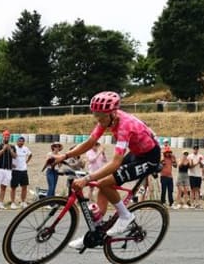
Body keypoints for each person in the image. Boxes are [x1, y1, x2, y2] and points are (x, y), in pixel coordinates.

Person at [53, 91, 161, 251]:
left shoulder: (125, 125)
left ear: (112, 113)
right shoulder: (107, 119)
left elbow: (115, 162)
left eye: (101, 116)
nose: (99, 120)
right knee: (102, 187)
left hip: (150, 158)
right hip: (137, 153)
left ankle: (126, 216)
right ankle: (95, 233)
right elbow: (90, 142)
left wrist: (87, 179)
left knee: (104, 182)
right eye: (96, 115)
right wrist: (65, 155)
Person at [0, 130, 15, 209]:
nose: (6, 137)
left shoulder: (12, 146)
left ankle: (0, 203)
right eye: (5, 136)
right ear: (3, 137)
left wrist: (10, 149)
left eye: (8, 136)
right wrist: (3, 149)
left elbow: (15, 156)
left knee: (4, 187)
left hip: (8, 169)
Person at [7, 136, 32, 208]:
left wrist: (27, 162)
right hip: (15, 170)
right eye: (19, 141)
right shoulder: (13, 148)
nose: (21, 142)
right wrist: (11, 164)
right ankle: (12, 202)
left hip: (24, 170)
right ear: (17, 141)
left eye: (22, 141)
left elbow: (30, 154)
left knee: (24, 186)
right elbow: (8, 157)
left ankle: (23, 202)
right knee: (13, 187)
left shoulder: (26, 148)